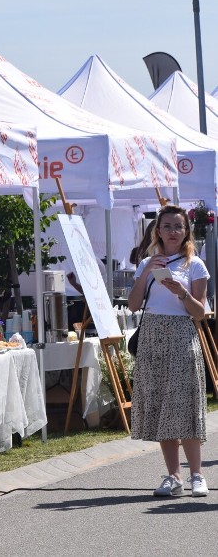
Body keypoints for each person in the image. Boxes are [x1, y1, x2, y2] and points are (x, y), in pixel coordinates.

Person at [127, 204, 209, 497]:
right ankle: (173, 476)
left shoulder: (194, 264)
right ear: (157, 231)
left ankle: (197, 475)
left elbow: (200, 313)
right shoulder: (148, 262)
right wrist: (147, 270)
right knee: (162, 405)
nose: (173, 232)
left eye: (178, 226)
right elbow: (134, 305)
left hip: (181, 336)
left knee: (184, 405)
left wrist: (182, 293)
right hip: (151, 336)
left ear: (186, 231)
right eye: (167, 226)